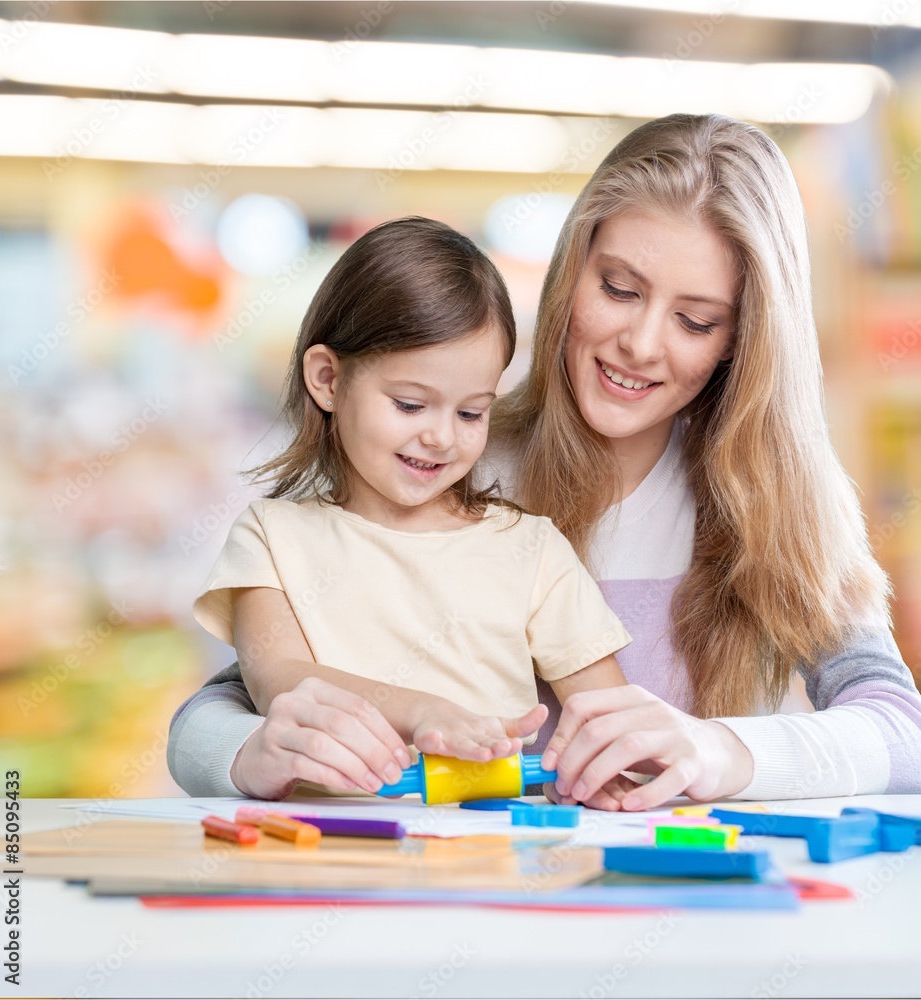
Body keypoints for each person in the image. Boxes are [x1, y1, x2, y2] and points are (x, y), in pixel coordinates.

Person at [168, 114, 921, 809]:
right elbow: (240, 698)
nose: (641, 343)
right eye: (618, 289)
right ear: (570, 275)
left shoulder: (779, 506)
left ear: (741, 339)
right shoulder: (449, 464)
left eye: (695, 320)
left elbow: (900, 730)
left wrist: (718, 751)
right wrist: (250, 754)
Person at [175, 216, 632, 801]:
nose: (443, 437)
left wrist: (606, 774)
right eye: (412, 405)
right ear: (327, 380)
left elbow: (609, 717)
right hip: (326, 859)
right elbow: (278, 681)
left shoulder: (531, 549)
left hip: (489, 863)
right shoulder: (272, 536)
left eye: (471, 413)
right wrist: (420, 712)